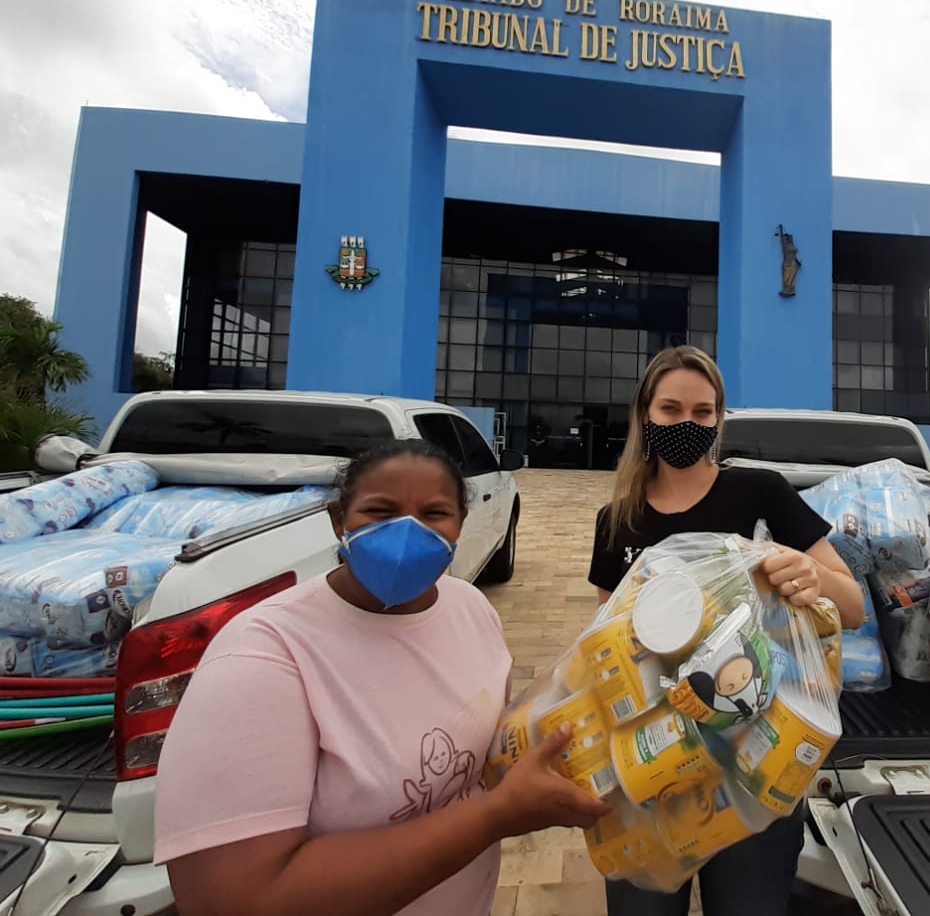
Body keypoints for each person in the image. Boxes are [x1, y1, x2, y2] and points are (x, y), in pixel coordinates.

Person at [153, 440, 610, 916]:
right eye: (381, 510)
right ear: (338, 520)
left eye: (435, 514)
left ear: (460, 527)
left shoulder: (471, 609)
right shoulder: (264, 658)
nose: (407, 532)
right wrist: (497, 816)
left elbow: (479, 759)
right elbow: (233, 899)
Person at [588, 346, 865, 916]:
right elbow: (604, 638)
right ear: (645, 415)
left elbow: (853, 606)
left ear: (718, 420)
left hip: (753, 761)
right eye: (671, 410)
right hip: (652, 764)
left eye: (702, 412)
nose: (687, 424)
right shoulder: (619, 517)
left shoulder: (760, 493)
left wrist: (809, 571)